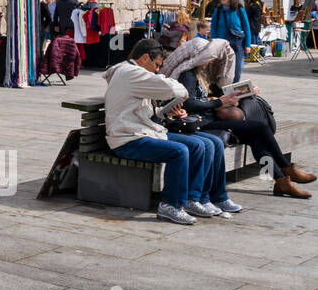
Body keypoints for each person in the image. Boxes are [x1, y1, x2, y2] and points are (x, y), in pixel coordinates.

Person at [102, 38, 240, 225]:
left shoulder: (134, 74)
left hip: (144, 131)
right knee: (179, 151)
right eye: (157, 65)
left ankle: (196, 198)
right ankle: (170, 205)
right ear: (144, 58)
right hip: (127, 139)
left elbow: (143, 112)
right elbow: (176, 89)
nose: (158, 71)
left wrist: (166, 113)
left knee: (203, 144)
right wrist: (170, 87)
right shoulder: (130, 73)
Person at [169, 61, 315, 200]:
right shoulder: (188, 75)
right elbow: (189, 104)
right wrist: (217, 102)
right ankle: (286, 169)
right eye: (208, 59)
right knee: (260, 128)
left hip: (213, 120)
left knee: (256, 140)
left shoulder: (204, 73)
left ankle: (281, 181)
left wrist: (245, 92)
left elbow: (215, 94)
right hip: (202, 124)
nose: (210, 62)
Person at [210, 0, 252, 83]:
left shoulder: (240, 9)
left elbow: (246, 27)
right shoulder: (218, 10)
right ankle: (221, 88)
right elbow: (213, 27)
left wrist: (247, 45)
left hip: (237, 43)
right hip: (221, 43)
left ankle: (235, 86)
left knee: (237, 67)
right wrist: (214, 40)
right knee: (222, 67)